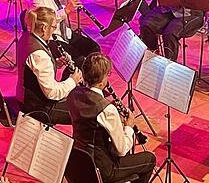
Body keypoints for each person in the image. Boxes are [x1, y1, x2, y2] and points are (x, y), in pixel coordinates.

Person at [66, 54, 155, 183]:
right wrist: (128, 126)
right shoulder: (107, 109)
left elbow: (90, 124)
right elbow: (121, 150)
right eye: (107, 75)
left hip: (77, 161)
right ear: (102, 81)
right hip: (102, 168)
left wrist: (114, 120)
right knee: (149, 159)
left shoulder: (73, 94)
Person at [25, 0, 100, 70]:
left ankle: (90, 77)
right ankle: (75, 79)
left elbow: (63, 1)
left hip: (64, 31)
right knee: (78, 59)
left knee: (94, 48)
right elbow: (45, 20)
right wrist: (66, 10)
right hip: (50, 36)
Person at [16, 7, 82, 125]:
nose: (54, 31)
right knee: (85, 114)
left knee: (77, 100)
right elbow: (52, 93)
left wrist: (56, 63)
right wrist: (73, 81)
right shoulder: (39, 54)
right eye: (53, 27)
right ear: (44, 28)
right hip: (39, 107)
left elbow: (34, 70)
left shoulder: (27, 37)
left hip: (27, 97)